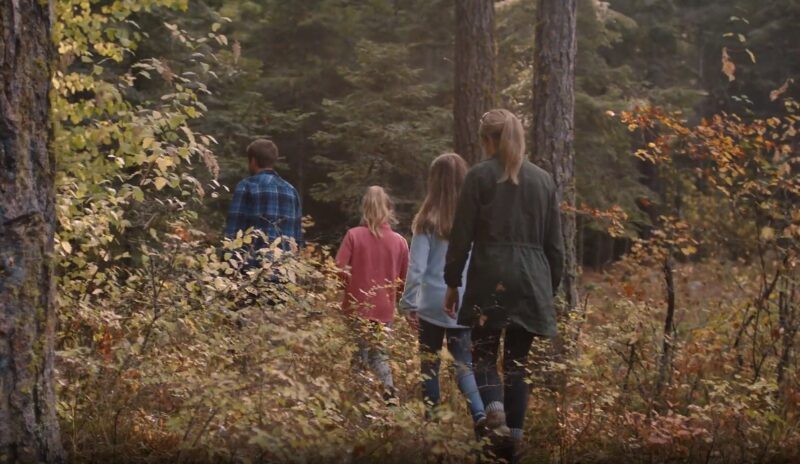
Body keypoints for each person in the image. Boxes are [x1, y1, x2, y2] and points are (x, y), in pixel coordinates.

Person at [443, 109, 564, 462]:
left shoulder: (479, 176)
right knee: (517, 364)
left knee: (482, 355)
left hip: (488, 278)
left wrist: (452, 282)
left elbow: (461, 236)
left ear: (488, 140)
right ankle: (513, 442)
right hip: (531, 282)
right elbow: (555, 247)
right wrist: (548, 289)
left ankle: (493, 413)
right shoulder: (543, 180)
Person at [398, 153, 489, 434]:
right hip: (463, 301)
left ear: (434, 183)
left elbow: (417, 268)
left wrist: (407, 303)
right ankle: (480, 414)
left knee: (429, 364)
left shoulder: (427, 220)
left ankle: (433, 426)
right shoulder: (476, 219)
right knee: (464, 364)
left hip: (431, 304)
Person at [336, 186, 409, 403]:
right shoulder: (399, 242)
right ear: (388, 209)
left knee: (360, 354)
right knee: (379, 354)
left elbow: (338, 269)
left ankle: (361, 403)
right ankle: (389, 394)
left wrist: (349, 287)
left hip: (357, 306)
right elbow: (404, 280)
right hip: (384, 309)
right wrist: (394, 299)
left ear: (364, 208)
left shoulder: (353, 236)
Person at [224, 139, 303, 249]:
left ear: (253, 160)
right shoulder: (291, 191)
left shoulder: (246, 186)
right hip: (285, 264)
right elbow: (297, 239)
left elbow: (233, 232)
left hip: (251, 264)